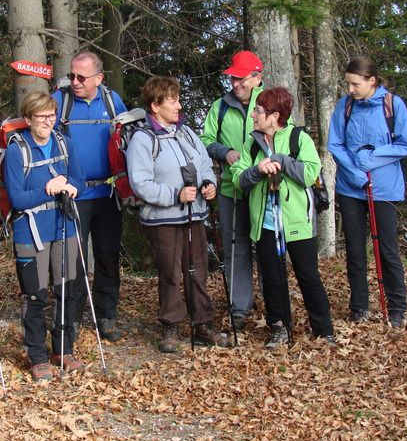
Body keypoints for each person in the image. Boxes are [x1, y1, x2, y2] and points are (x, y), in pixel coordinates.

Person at [126, 76, 230, 353]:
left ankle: (203, 324)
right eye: (173, 101)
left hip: (193, 215)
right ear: (155, 105)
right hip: (163, 219)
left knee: (197, 271)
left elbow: (205, 164)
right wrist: (175, 194)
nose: (179, 106)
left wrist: (210, 184)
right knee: (171, 273)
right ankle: (170, 326)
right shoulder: (143, 139)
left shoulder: (186, 132)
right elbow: (140, 183)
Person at [231, 87, 336, 348]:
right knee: (273, 278)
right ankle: (279, 328)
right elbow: (238, 179)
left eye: (259, 111)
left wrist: (280, 161)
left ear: (275, 115)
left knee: (308, 276)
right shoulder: (252, 142)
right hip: (266, 224)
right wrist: (258, 169)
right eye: (255, 110)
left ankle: (324, 330)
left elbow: (311, 173)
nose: (254, 115)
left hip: (297, 222)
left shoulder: (299, 139)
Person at [4, 92, 86, 381]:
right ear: (28, 119)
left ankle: (63, 350)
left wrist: (72, 186)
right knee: (35, 294)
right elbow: (16, 198)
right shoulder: (17, 151)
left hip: (65, 226)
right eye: (41, 117)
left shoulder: (65, 144)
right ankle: (37, 355)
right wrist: (48, 189)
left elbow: (80, 179)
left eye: (51, 115)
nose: (47, 122)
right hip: (30, 230)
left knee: (66, 290)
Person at [327, 55, 407, 327]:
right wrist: (355, 173)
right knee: (354, 249)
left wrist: (373, 157)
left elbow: (404, 145)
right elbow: (335, 145)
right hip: (351, 188)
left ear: (371, 81)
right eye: (348, 84)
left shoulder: (393, 105)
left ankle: (397, 307)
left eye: (355, 84)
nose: (350, 89)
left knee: (387, 248)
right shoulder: (345, 106)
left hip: (384, 189)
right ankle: (359, 307)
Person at [52, 51, 128, 343]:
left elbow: (125, 140)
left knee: (108, 254)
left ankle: (106, 315)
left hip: (108, 193)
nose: (75, 81)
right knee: (74, 258)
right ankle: (69, 319)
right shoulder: (60, 101)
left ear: (99, 78)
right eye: (71, 75)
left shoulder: (112, 101)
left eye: (81, 77)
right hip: (74, 194)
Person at [200, 51, 264, 331]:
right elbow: (205, 139)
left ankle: (272, 302)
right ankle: (239, 308)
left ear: (257, 78)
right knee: (235, 248)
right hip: (230, 189)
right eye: (233, 78)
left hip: (264, 189)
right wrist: (224, 152)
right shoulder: (220, 106)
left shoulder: (268, 103)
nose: (236, 83)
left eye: (241, 78)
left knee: (266, 247)